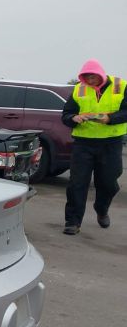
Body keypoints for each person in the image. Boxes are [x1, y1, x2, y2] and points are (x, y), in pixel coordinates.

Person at [61, 59, 127, 235]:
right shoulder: (78, 89)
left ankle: (101, 208)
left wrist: (110, 119)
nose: (89, 81)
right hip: (83, 143)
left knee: (108, 183)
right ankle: (73, 222)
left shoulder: (120, 85)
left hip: (111, 143)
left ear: (100, 74)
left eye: (92, 77)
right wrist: (73, 118)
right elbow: (66, 114)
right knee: (77, 183)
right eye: (86, 78)